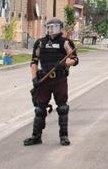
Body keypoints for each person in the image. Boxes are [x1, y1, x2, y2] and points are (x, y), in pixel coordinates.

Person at [24, 18, 78, 146]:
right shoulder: (40, 43)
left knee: (63, 108)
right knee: (39, 109)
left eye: (54, 27)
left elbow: (75, 60)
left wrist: (64, 63)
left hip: (59, 79)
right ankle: (36, 136)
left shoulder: (65, 42)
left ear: (60, 28)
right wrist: (34, 78)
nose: (51, 30)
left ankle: (63, 136)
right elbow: (34, 62)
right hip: (44, 80)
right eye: (49, 27)